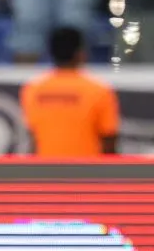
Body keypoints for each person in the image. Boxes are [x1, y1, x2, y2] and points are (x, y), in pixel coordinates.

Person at [20, 27, 120, 157]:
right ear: (80, 53)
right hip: (88, 172)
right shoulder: (99, 90)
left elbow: (33, 138)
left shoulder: (33, 89)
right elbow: (109, 141)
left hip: (45, 171)